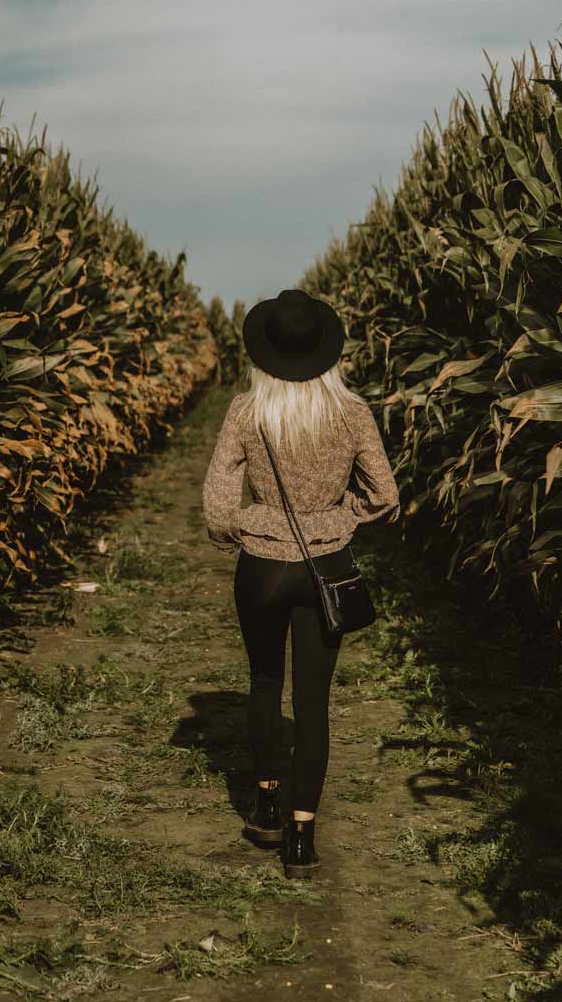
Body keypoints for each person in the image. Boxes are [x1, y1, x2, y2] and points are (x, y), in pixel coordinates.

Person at [201, 288, 400, 879]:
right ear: (328, 351)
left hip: (261, 570)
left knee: (264, 683)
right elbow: (386, 496)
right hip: (325, 569)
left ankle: (264, 805)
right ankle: (301, 839)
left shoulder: (246, 411)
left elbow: (216, 505)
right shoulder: (351, 412)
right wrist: (338, 520)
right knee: (312, 705)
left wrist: (245, 526)